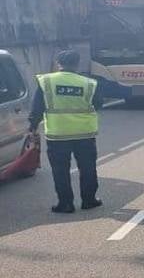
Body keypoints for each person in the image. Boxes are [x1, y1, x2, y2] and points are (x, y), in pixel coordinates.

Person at [28, 50, 103, 213]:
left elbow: (37, 108)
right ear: (77, 64)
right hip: (84, 133)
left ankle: (66, 203)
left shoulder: (46, 81)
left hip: (57, 134)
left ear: (58, 63)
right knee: (88, 167)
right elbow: (98, 104)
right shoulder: (89, 83)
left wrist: (32, 128)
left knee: (60, 170)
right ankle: (89, 200)